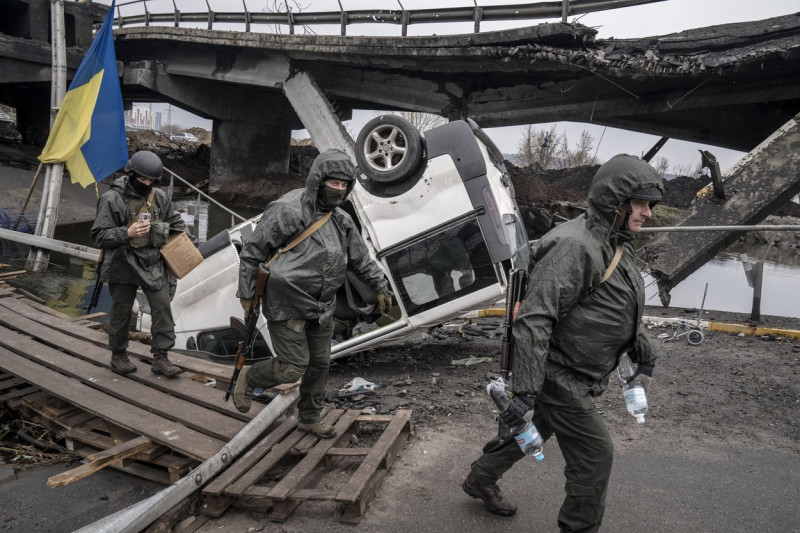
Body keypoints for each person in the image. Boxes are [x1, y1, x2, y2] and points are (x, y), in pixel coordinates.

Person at [463, 154, 664, 532]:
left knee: (536, 427)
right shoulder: (576, 247)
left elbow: (621, 307)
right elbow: (535, 319)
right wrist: (524, 389)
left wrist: (645, 358)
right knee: (595, 455)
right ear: (616, 201)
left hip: (573, 369)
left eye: (650, 204)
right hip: (560, 373)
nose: (648, 213)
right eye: (640, 203)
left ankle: (480, 478)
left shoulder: (615, 240)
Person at [233, 148, 392, 439]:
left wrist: (381, 286)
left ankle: (309, 417)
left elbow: (361, 259)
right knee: (293, 368)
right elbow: (252, 253)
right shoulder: (287, 210)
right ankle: (250, 376)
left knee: (319, 365)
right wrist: (246, 294)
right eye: (334, 183)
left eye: (345, 185)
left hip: (322, 308)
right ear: (319, 180)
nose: (339, 190)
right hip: (286, 303)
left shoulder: (341, 221)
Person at [90, 150, 187, 378]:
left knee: (162, 307)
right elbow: (99, 236)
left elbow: (178, 224)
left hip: (152, 262)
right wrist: (127, 232)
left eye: (151, 180)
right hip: (121, 262)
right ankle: (118, 354)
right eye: (142, 179)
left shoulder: (159, 197)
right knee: (121, 311)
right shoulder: (112, 199)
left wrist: (175, 238)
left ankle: (161, 357)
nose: (146, 184)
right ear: (131, 174)